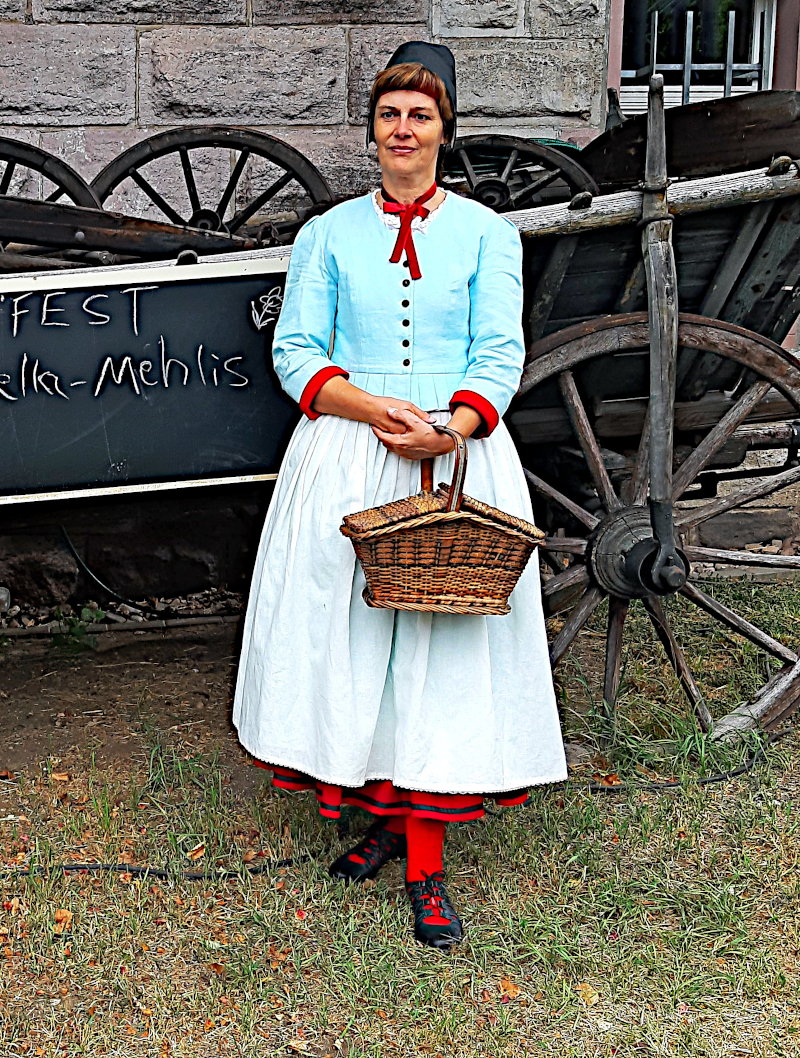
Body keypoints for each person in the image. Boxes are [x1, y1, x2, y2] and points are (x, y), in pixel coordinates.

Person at [233, 41, 567, 949]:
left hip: (453, 456)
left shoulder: (488, 235)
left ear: (444, 131)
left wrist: (451, 429)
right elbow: (295, 351)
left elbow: (500, 354)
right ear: (372, 130)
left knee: (438, 643)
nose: (403, 129)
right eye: (389, 114)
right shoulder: (327, 235)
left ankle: (426, 864)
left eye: (420, 115)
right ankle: (382, 811)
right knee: (355, 638)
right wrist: (372, 406)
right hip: (350, 450)